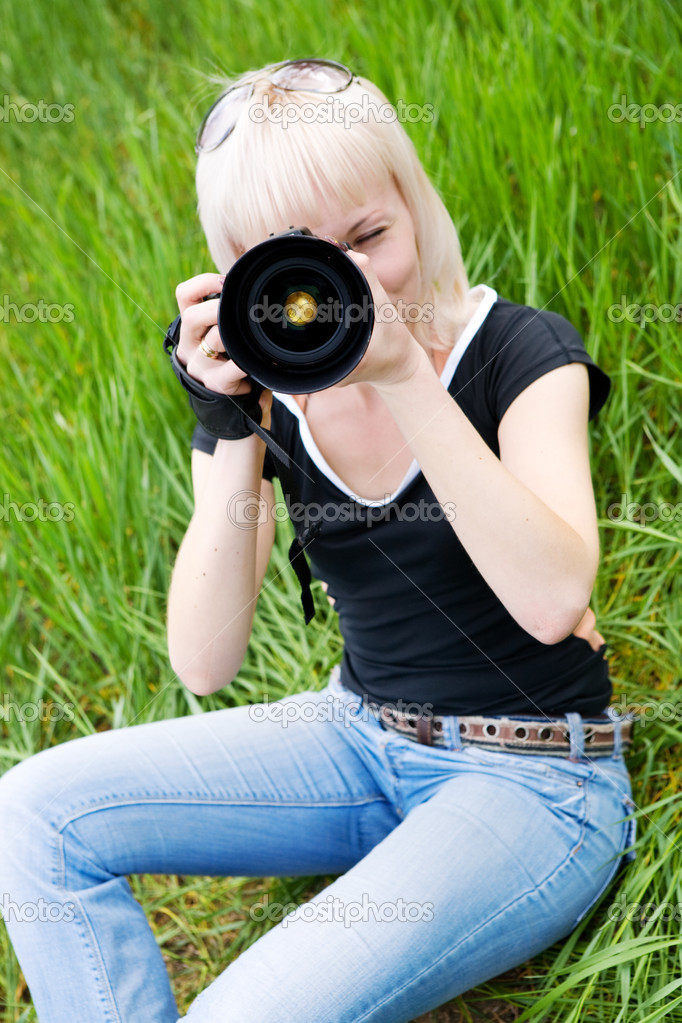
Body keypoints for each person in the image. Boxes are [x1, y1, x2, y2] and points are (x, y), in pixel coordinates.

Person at [0, 59, 636, 1023]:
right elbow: (203, 660)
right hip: (355, 738)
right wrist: (228, 423)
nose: (349, 278)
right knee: (32, 809)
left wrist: (404, 376)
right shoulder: (270, 394)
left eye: (368, 237)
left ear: (414, 207)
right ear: (241, 271)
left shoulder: (519, 352)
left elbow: (553, 600)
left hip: (534, 778)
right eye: (304, 258)